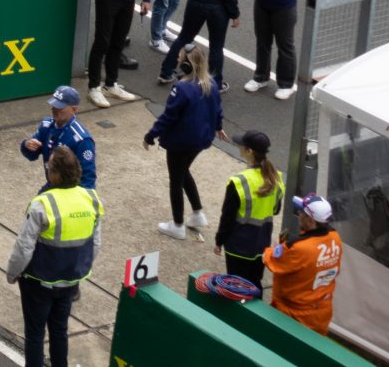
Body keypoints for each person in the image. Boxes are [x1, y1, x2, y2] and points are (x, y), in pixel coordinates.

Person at [4, 145, 101, 367]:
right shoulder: (92, 199)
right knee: (59, 330)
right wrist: (77, 269)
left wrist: (13, 273)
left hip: (39, 282)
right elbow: (95, 244)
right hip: (70, 281)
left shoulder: (42, 203)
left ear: (54, 174)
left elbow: (24, 247)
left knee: (35, 334)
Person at [145, 45, 222, 239]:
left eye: (180, 58)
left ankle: (178, 225)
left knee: (176, 180)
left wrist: (151, 134)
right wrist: (219, 127)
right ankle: (197, 213)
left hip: (180, 142)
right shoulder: (211, 84)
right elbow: (218, 110)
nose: (178, 61)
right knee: (183, 171)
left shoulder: (181, 88)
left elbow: (168, 117)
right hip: (200, 141)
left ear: (187, 64)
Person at [216, 130, 286, 288]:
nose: (239, 146)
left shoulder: (239, 181)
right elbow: (275, 210)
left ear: (249, 151)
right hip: (262, 244)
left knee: (236, 286)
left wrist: (219, 241)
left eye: (242, 145)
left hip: (238, 245)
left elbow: (227, 217)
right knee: (254, 284)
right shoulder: (277, 179)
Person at [266, 196, 343, 335]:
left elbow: (272, 261)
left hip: (293, 315)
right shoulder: (335, 238)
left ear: (311, 220)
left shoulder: (298, 247)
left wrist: (276, 247)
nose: (299, 214)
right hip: (321, 313)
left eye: (302, 212)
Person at [21, 84, 99, 188]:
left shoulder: (82, 140)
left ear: (74, 109)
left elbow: (88, 180)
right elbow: (32, 155)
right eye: (54, 106)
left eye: (60, 107)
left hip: (71, 191)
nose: (55, 110)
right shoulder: (47, 126)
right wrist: (27, 145)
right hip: (52, 185)